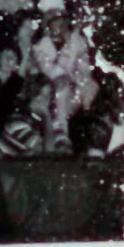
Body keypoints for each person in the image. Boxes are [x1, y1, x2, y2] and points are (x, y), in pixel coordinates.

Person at [29, 9, 98, 153]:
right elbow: (47, 69)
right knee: (61, 91)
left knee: (90, 88)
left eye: (62, 22)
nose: (59, 27)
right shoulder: (41, 45)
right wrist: (64, 73)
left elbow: (84, 67)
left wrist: (78, 80)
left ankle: (90, 139)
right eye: (55, 23)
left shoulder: (77, 41)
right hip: (49, 86)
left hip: (75, 84)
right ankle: (62, 136)